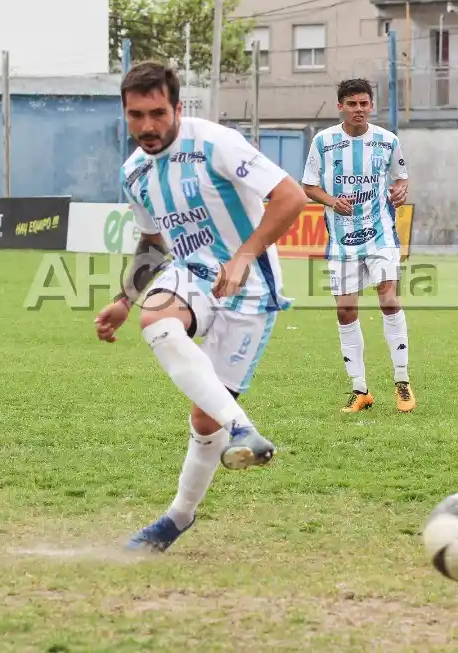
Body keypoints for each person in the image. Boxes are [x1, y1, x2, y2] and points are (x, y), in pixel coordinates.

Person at [94, 60, 308, 552]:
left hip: (250, 288)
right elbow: (153, 242)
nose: (147, 126)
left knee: (204, 420)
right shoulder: (134, 172)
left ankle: (178, 518)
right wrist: (126, 299)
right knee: (156, 318)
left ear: (177, 108)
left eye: (157, 113)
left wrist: (244, 256)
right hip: (191, 273)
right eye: (136, 115)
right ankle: (244, 428)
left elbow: (291, 197)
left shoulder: (215, 143)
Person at [300, 78, 416, 414]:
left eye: (364, 103)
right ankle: (360, 389)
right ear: (341, 107)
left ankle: (402, 382)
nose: (359, 109)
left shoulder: (387, 141)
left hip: (380, 234)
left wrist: (401, 189)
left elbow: (401, 176)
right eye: (352, 104)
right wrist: (331, 201)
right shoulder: (323, 142)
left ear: (371, 105)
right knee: (345, 310)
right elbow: (308, 186)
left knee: (389, 300)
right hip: (342, 240)